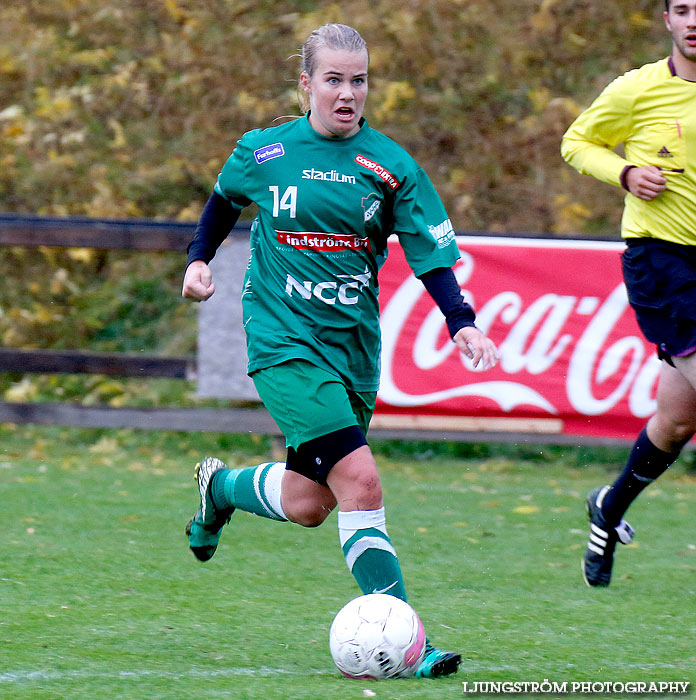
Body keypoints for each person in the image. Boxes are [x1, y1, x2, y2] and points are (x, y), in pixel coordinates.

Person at [182, 23, 499, 676]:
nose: (348, 93)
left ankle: (222, 489)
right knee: (361, 479)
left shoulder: (391, 167)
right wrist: (198, 261)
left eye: (358, 80)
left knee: (310, 502)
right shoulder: (264, 153)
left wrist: (460, 321)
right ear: (307, 85)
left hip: (351, 355)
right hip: (282, 345)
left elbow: (430, 256)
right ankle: (412, 645)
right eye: (334, 79)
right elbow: (222, 203)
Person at [561, 0, 696, 587]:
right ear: (667, 19)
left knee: (675, 422)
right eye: (685, 9)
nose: (694, 22)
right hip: (662, 260)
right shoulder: (639, 89)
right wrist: (623, 172)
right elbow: (577, 141)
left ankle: (608, 509)